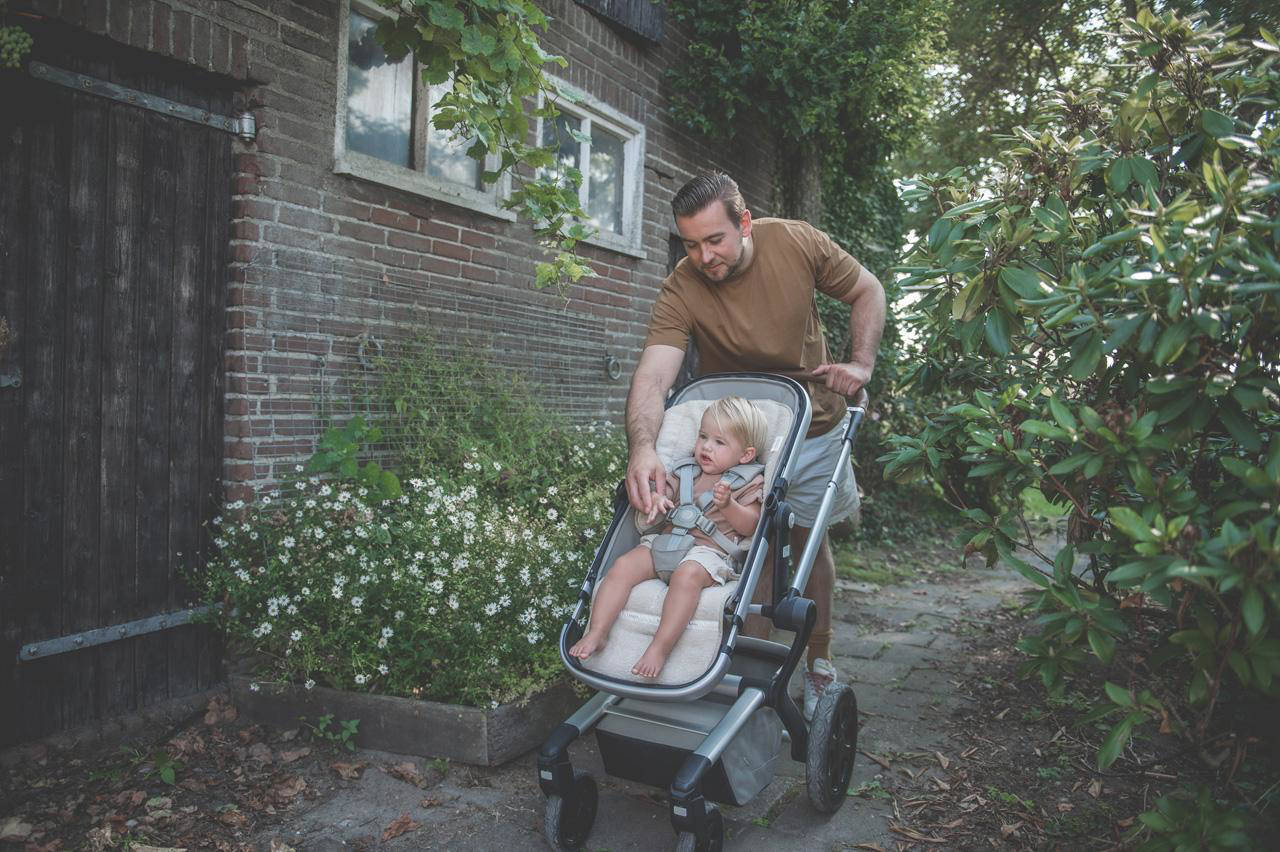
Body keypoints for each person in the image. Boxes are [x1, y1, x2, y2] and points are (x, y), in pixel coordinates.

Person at [625, 172, 886, 719]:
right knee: (752, 552)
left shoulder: (795, 241)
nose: (703, 257)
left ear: (744, 223)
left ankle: (818, 660)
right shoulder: (682, 285)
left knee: (807, 540)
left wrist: (860, 364)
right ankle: (748, 676)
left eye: (714, 240)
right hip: (735, 443)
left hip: (814, 426)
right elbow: (654, 376)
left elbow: (868, 290)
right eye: (690, 244)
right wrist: (643, 448)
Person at [569, 397, 768, 678]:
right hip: (666, 541)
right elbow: (663, 494)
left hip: (708, 553)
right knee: (623, 566)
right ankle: (598, 631)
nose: (706, 447)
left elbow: (751, 525)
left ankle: (659, 648)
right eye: (703, 436)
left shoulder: (750, 482)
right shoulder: (686, 471)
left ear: (746, 455)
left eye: (719, 442)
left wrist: (729, 506)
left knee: (686, 576)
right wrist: (657, 500)